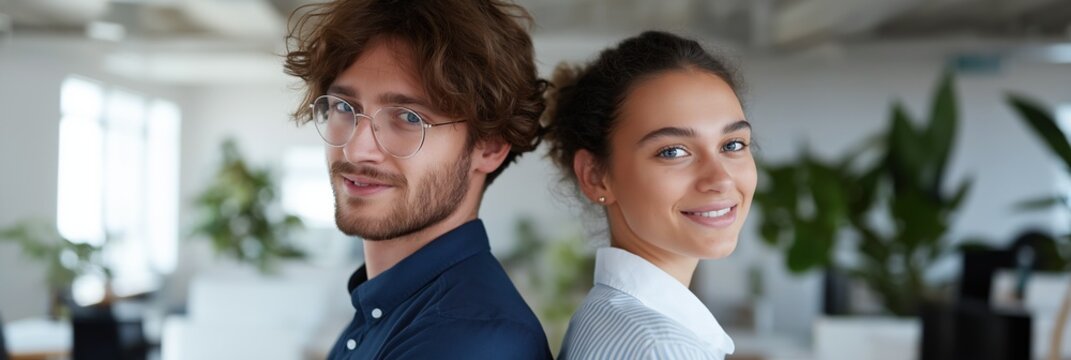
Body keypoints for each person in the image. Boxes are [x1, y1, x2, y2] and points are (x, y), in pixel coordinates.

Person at [283, 0, 551, 358]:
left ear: (490, 146)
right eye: (344, 108)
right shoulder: (384, 309)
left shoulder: (470, 339)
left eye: (408, 118)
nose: (357, 149)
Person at [543, 31, 755, 359]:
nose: (721, 179)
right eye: (673, 152)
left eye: (733, 145)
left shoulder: (606, 317)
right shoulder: (662, 349)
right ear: (596, 176)